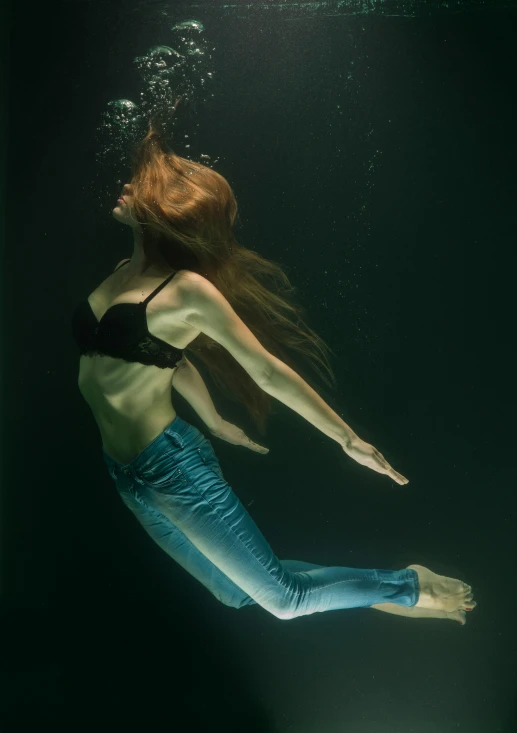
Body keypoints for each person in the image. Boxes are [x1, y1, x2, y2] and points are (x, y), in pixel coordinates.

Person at [71, 124, 476, 624]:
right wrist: (215, 419)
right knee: (232, 591)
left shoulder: (188, 290)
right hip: (126, 472)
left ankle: (410, 587)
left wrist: (346, 439)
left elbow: (268, 371)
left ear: (165, 207)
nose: (127, 187)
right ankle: (381, 591)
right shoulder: (120, 272)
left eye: (141, 184)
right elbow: (164, 357)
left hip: (170, 468)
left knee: (284, 601)